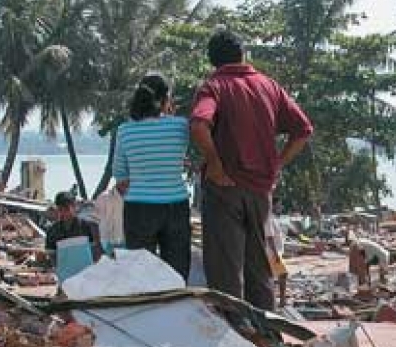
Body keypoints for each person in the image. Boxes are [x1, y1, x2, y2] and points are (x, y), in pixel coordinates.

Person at [191, 30, 313, 310]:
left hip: (225, 189)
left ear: (213, 60)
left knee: (225, 271)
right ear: (243, 54)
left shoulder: (214, 86)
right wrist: (278, 163)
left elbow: (199, 124)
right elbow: (303, 130)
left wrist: (216, 163)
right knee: (260, 270)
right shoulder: (268, 85)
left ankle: (233, 336)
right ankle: (266, 336)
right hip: (260, 191)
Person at [114, 73, 191, 279]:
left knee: (139, 274)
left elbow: (120, 178)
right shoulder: (181, 126)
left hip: (138, 208)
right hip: (176, 206)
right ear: (166, 99)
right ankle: (175, 310)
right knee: (176, 273)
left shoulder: (125, 131)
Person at [45, 191, 102, 282]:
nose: (64, 213)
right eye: (60, 209)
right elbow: (52, 255)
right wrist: (61, 270)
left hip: (86, 278)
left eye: (67, 209)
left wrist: (92, 270)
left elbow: (96, 252)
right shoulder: (52, 231)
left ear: (74, 207)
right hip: (65, 280)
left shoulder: (86, 227)